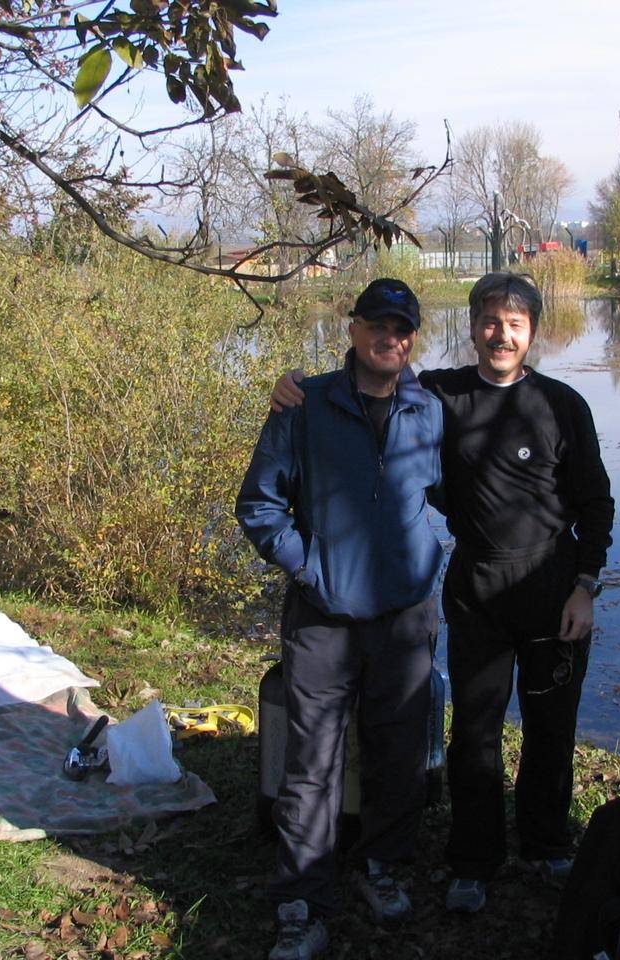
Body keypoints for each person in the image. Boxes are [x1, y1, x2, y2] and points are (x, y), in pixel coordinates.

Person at [271, 272, 614, 914]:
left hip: (552, 586)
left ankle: (546, 845)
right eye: (490, 322)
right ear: (473, 327)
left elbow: (596, 503)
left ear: (533, 332)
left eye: (515, 325)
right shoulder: (439, 395)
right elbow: (371, 385)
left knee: (551, 728)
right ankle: (473, 860)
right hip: (477, 588)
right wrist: (295, 386)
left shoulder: (563, 404)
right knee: (475, 731)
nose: (501, 335)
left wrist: (585, 585)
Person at [236, 278, 444, 960]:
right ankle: (302, 901)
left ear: (413, 338)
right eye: (377, 324)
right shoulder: (305, 405)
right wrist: (309, 566)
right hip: (322, 614)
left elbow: (459, 491)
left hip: (405, 616)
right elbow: (259, 504)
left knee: (399, 753)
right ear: (352, 328)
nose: (390, 337)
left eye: (402, 328)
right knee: (310, 762)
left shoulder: (428, 410)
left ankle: (382, 869)